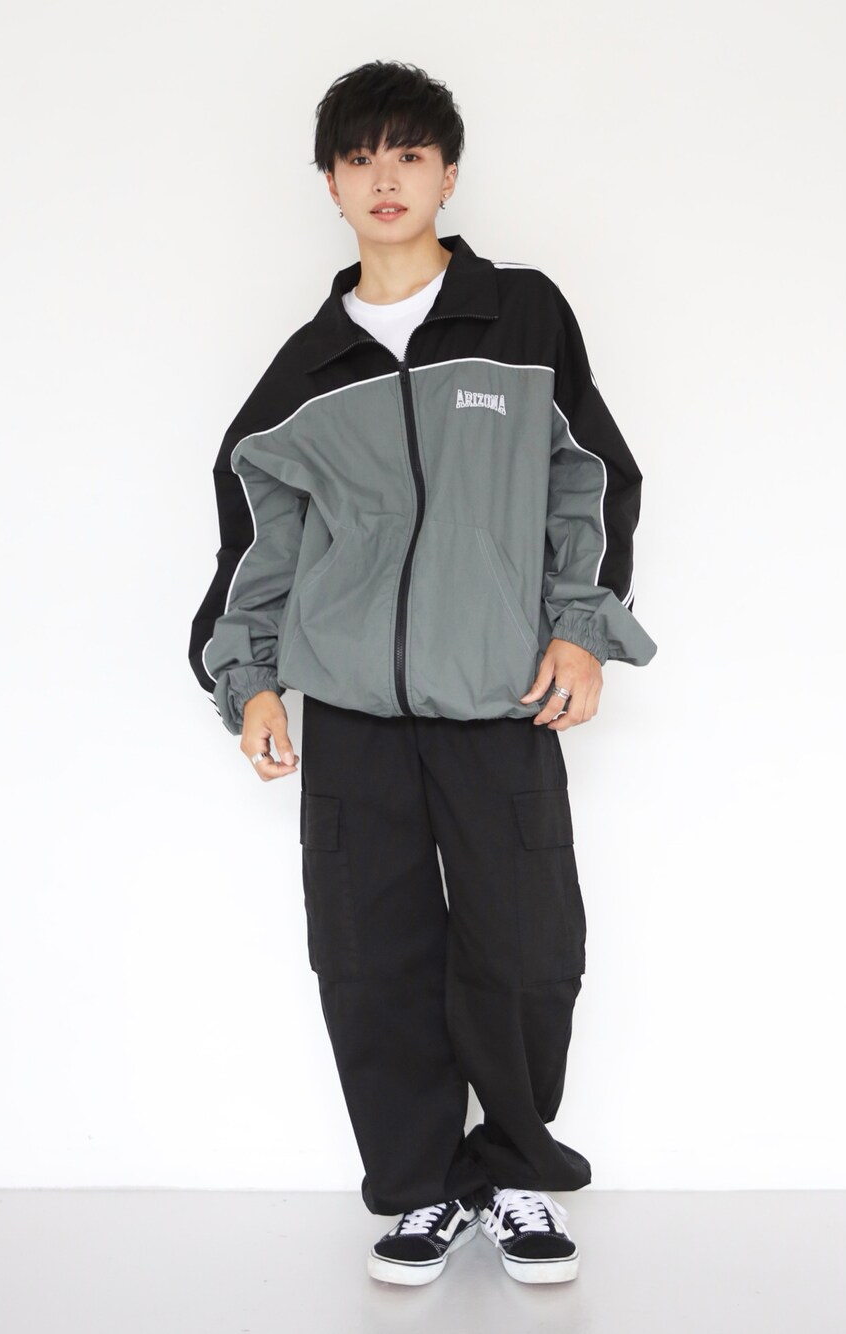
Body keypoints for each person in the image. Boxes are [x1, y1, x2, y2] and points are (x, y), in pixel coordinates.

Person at [188, 59, 657, 1288]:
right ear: (330, 184)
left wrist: (580, 627)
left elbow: (590, 477)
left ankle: (511, 1171)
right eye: (359, 158)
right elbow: (256, 542)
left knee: (527, 946)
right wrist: (250, 679)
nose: (383, 179)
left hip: (499, 694)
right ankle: (417, 1189)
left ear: (448, 173)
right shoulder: (307, 367)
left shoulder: (520, 314)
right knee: (369, 959)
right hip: (350, 711)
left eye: (408, 154)